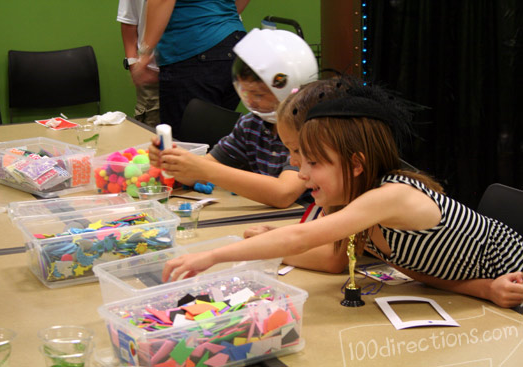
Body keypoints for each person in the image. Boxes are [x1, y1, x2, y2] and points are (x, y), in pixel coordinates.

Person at [162, 79, 523, 309]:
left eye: (314, 162)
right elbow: (424, 272)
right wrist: (486, 290)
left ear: (355, 164)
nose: (301, 172)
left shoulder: (391, 197)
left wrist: (210, 257)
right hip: (495, 294)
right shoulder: (363, 208)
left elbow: (302, 237)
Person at [149, 28, 319, 208]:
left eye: (259, 95)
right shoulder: (251, 125)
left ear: (289, 89)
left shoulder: (310, 129)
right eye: (246, 93)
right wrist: (172, 162)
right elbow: (198, 173)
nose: (251, 102)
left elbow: (283, 194)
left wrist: (203, 169)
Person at [244, 77, 360, 272]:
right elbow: (321, 235)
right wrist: (279, 236)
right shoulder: (339, 186)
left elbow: (333, 258)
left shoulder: (369, 192)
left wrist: (268, 246)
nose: (293, 162)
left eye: (299, 151)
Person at [132, 0, 249, 138]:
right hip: (235, 47)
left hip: (193, 49)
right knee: (215, 143)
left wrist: (145, 53)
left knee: (186, 146)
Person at [117, 0, 160, 127]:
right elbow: (129, 21)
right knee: (151, 135)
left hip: (192, 68)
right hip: (151, 73)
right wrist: (134, 63)